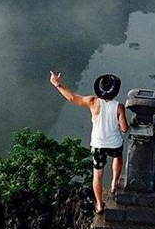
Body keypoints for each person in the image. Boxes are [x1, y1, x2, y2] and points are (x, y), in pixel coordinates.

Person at [50, 70, 128, 214]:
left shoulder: (93, 102)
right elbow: (124, 128)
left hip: (98, 144)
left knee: (97, 175)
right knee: (118, 158)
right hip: (114, 143)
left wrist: (58, 85)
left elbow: (72, 97)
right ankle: (114, 183)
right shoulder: (119, 107)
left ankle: (100, 204)